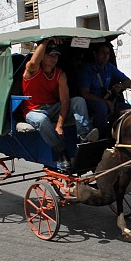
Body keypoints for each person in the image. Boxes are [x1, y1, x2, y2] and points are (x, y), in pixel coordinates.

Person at [23, 37, 99, 172]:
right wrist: (45, 41)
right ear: (43, 56)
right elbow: (34, 61)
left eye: (56, 56)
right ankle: (61, 151)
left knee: (78, 101)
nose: (54, 59)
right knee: (41, 120)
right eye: (50, 55)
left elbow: (65, 101)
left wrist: (59, 124)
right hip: (34, 111)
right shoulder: (32, 70)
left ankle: (84, 138)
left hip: (53, 107)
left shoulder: (60, 74)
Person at [78, 44, 131, 137]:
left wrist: (120, 85)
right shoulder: (87, 70)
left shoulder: (109, 67)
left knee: (127, 108)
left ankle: (122, 135)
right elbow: (84, 94)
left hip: (107, 101)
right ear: (95, 54)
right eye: (102, 53)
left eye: (107, 53)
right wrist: (105, 102)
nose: (106, 56)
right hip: (91, 102)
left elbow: (128, 81)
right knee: (102, 107)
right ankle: (101, 137)